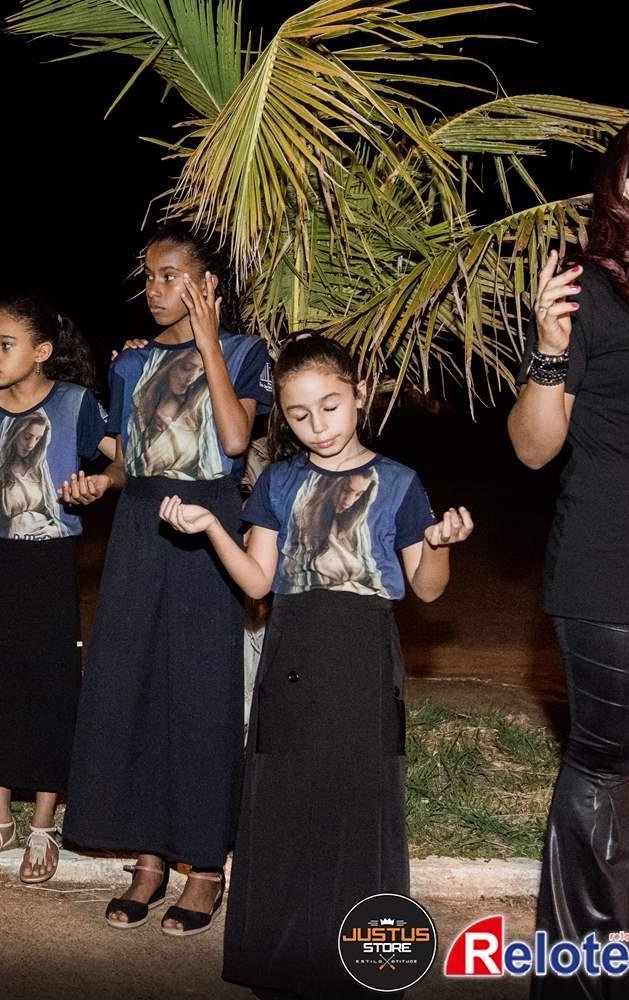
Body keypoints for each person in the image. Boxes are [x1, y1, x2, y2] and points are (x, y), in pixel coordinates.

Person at [161, 335, 471, 996]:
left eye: (330, 406)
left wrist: (440, 544)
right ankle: (277, 960)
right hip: (293, 652)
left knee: (359, 800)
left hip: (363, 653)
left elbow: (427, 589)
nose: (318, 425)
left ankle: (361, 961)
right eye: (300, 415)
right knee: (283, 799)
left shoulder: (400, 483)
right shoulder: (279, 482)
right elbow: (256, 582)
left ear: (360, 394)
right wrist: (211, 528)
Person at [508, 90, 629, 1000]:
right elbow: (534, 448)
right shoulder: (591, 289)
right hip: (615, 572)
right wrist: (546, 347)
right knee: (603, 771)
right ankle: (586, 980)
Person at [65, 223, 272, 935]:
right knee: (135, 685)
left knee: (201, 692)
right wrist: (103, 483)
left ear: (207, 284)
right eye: (149, 276)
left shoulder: (244, 351)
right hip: (140, 527)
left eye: (169, 275)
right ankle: (149, 858)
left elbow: (235, 440)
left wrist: (208, 340)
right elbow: (133, 459)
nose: (153, 289)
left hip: (207, 525)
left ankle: (205, 865)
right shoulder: (131, 363)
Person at [0, 296, 111, 883]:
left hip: (49, 557)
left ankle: (43, 824)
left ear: (42, 351)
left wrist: (100, 483)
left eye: (5, 345)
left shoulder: (75, 404)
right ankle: (0, 820)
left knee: (50, 684)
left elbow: (122, 462)